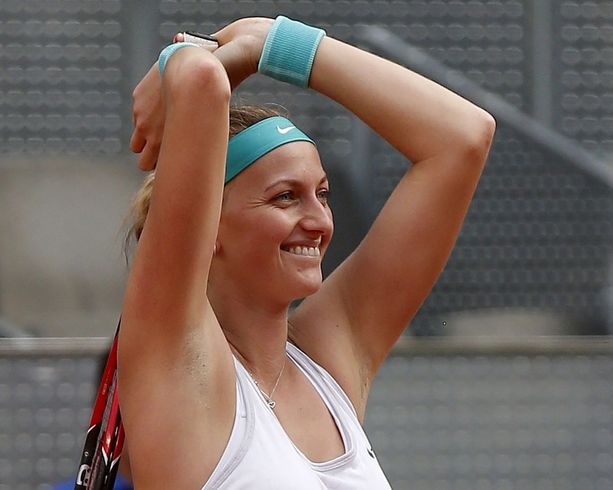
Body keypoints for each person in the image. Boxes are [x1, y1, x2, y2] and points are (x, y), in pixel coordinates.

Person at [119, 15, 495, 489]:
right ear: (208, 224)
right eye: (285, 197)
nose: (319, 222)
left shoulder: (327, 361)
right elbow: (199, 81)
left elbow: (463, 137)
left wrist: (266, 41)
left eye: (323, 193)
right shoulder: (176, 354)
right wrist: (187, 53)